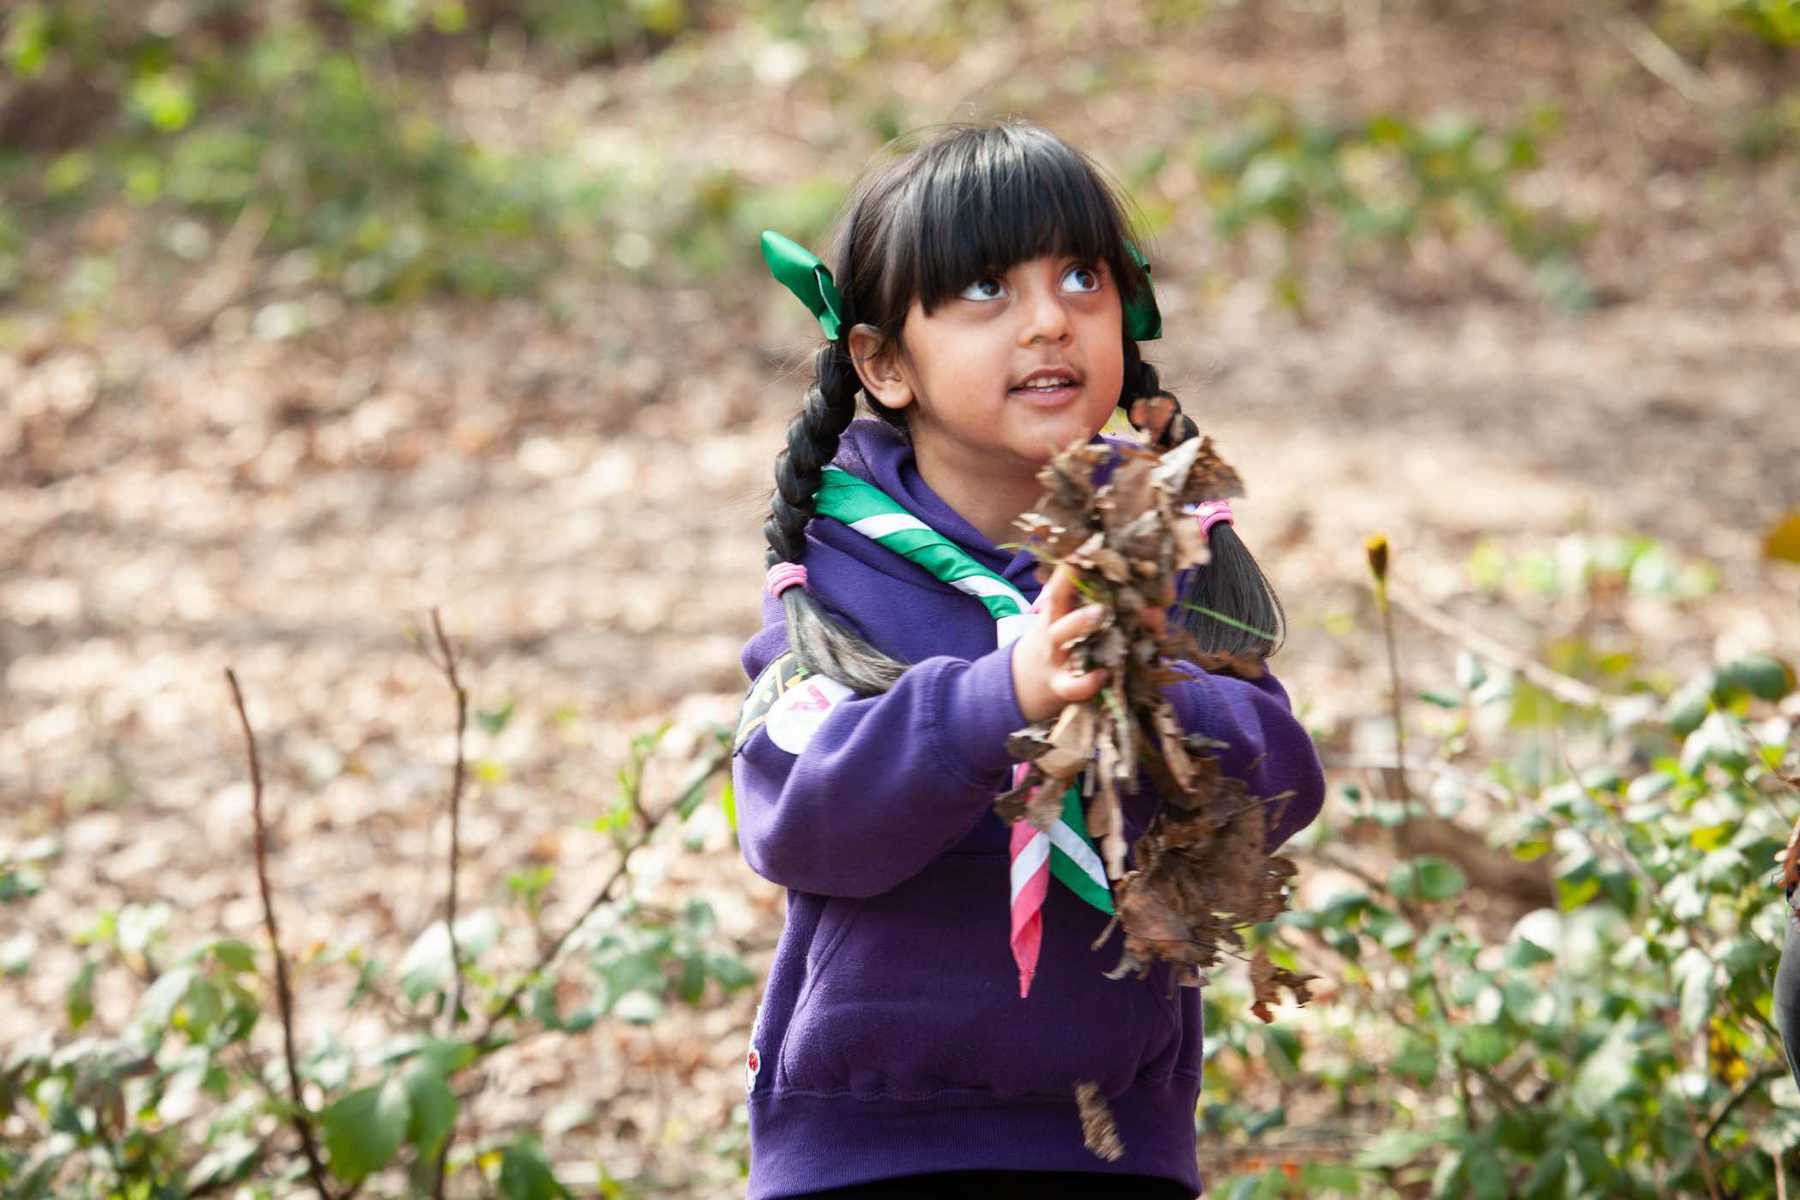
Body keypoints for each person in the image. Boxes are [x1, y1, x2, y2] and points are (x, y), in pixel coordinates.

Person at [729, 120, 1326, 1200]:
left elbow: (1279, 781)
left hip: (1113, 1135)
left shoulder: (1159, 547)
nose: (1050, 320)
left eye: (1083, 277)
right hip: (866, 1140)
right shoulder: (838, 580)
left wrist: (1143, 694)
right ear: (882, 361)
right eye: (984, 291)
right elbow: (798, 817)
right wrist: (998, 699)